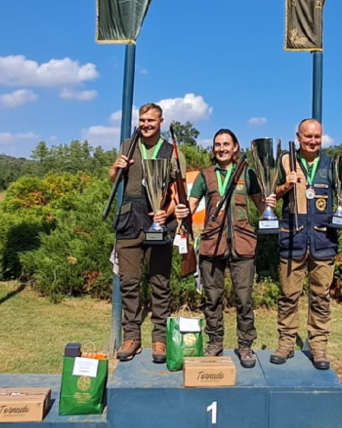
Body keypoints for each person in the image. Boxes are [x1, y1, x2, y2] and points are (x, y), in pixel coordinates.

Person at [175, 130, 266, 369]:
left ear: (235, 147)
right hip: (212, 244)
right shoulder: (205, 176)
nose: (222, 148)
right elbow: (191, 204)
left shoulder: (248, 173)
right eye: (218, 144)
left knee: (244, 298)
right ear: (213, 148)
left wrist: (272, 202)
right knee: (212, 298)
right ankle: (215, 341)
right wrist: (183, 211)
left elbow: (261, 205)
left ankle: (246, 344)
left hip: (243, 244)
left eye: (226, 144)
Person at [269, 119, 342, 370]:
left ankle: (318, 346)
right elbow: (270, 192)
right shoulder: (285, 161)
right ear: (298, 136)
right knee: (288, 296)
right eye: (308, 136)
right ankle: (286, 343)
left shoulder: (331, 165)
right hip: (292, 238)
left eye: (317, 137)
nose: (313, 141)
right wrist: (287, 184)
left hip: (323, 240)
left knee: (321, 298)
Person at [109, 103, 178, 364]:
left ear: (160, 122)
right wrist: (116, 168)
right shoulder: (129, 144)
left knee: (160, 283)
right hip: (129, 219)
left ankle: (159, 339)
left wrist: (167, 213)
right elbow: (113, 180)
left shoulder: (171, 151)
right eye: (142, 119)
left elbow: (176, 192)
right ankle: (132, 337)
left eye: (151, 120)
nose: (146, 124)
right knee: (129, 282)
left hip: (157, 219)